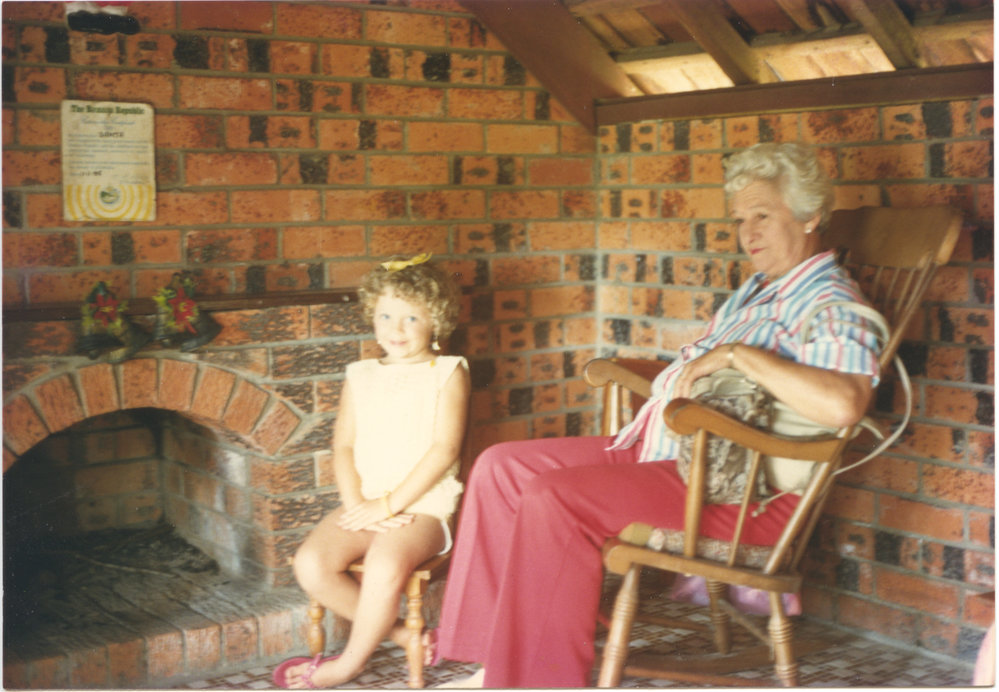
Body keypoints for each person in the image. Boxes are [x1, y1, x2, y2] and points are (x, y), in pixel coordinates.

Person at [435, 142, 885, 688]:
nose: (749, 233)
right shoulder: (757, 291)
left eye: (762, 215)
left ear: (811, 215)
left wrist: (739, 355)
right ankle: (495, 662)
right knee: (502, 467)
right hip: (671, 450)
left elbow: (844, 403)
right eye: (741, 219)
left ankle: (535, 679)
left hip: (738, 493)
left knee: (554, 497)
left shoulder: (831, 302)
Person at [273, 254, 470, 689]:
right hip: (366, 503)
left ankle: (349, 665)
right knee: (311, 563)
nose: (395, 329)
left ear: (435, 320)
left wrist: (388, 505)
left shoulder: (448, 373)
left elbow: (444, 450)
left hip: (423, 508)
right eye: (385, 315)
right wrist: (357, 505)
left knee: (383, 564)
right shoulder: (360, 374)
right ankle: (404, 635)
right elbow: (342, 445)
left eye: (411, 317)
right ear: (371, 315)